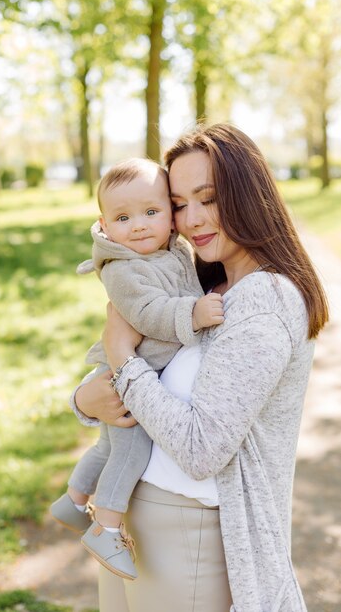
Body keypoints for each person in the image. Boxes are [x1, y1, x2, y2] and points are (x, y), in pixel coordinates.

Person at [69, 123, 329, 612]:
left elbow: (202, 448)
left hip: (188, 535)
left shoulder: (264, 301)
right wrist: (84, 400)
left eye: (207, 199)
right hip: (133, 521)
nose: (192, 219)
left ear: (249, 197)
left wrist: (123, 359)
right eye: (179, 204)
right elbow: (151, 377)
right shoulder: (201, 288)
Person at [51, 157, 224, 580]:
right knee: (131, 451)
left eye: (151, 212)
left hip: (133, 370)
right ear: (104, 225)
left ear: (170, 214)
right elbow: (147, 313)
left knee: (108, 449)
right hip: (127, 377)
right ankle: (106, 527)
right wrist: (194, 313)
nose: (140, 225)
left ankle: (73, 500)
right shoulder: (123, 268)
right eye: (123, 217)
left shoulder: (175, 250)